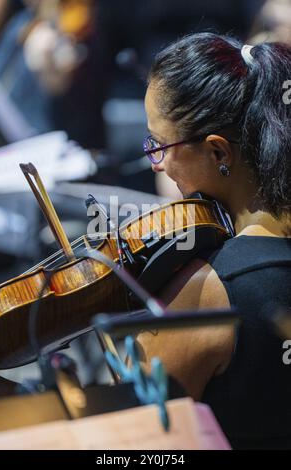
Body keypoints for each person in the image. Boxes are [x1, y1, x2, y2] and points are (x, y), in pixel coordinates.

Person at [136, 33, 291, 449]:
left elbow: (136, 443)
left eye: (161, 146)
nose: (159, 164)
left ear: (219, 153)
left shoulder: (210, 290)